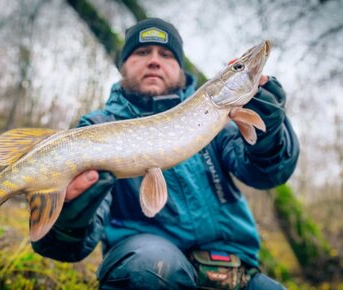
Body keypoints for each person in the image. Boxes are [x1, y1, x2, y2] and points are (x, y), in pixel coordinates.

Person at [32, 18, 299, 290]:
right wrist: (68, 219)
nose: (154, 61)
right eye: (142, 52)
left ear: (180, 67)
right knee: (148, 267)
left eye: (166, 54)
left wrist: (270, 131)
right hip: (149, 266)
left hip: (234, 268)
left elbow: (267, 174)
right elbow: (65, 248)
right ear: (123, 64)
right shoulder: (98, 127)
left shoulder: (220, 125)